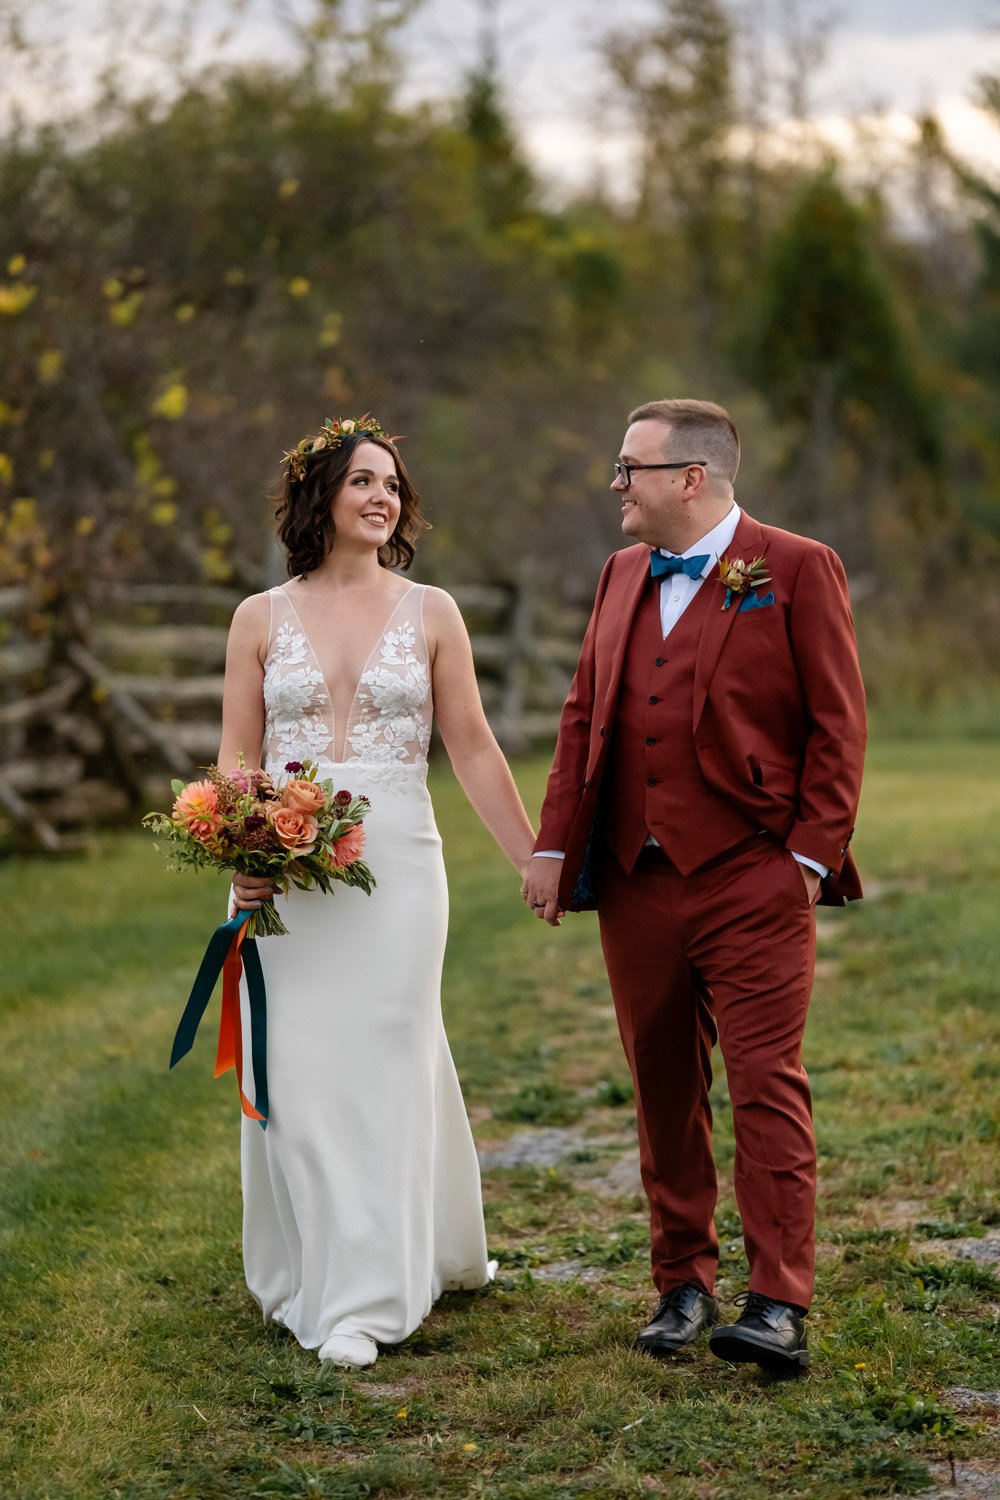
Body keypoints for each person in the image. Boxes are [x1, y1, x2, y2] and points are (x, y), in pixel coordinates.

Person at [521, 399, 866, 1375]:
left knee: (765, 1087)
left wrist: (805, 859)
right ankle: (681, 1284)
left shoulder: (794, 567)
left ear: (691, 479)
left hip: (752, 875)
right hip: (636, 879)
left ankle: (777, 1303)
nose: (615, 485)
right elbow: (581, 717)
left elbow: (838, 727)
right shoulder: (619, 574)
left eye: (628, 468)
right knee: (661, 1089)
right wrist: (554, 847)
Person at [219, 415, 536, 1369]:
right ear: (320, 496)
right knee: (302, 1073)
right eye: (362, 480)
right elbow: (238, 756)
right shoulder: (257, 618)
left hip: (397, 866)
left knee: (390, 1051)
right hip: (285, 874)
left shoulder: (433, 610)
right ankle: (327, 1267)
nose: (382, 497)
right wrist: (244, 843)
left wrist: (535, 857)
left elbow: (471, 745)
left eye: (392, 484)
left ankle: (367, 1295)